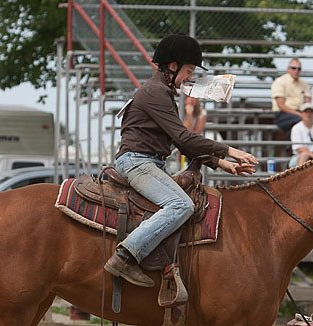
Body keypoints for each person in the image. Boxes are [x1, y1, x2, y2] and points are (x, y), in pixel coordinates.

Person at [105, 34, 258, 287]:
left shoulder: (160, 92)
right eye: (188, 70)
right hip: (138, 162)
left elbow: (178, 140)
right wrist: (228, 150)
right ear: (173, 66)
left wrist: (222, 164)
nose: (189, 77)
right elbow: (183, 137)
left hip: (146, 162)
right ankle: (125, 256)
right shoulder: (155, 92)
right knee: (181, 206)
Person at [270, 58, 311, 133]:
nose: (296, 70)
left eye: (299, 69)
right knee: (302, 121)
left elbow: (307, 103)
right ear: (288, 69)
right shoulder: (280, 81)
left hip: (300, 113)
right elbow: (281, 105)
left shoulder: (304, 84)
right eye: (293, 68)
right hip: (282, 114)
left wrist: (305, 114)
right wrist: (301, 115)